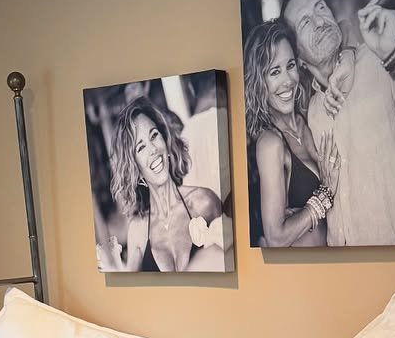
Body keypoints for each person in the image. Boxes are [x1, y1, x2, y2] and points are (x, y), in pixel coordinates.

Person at [282, 0, 395, 246]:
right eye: (305, 22)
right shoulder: (313, 112)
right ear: (298, 57)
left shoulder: (383, 59)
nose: (319, 21)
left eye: (320, 8)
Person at [242, 20, 341, 248]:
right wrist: (325, 194)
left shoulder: (309, 115)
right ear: (259, 82)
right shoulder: (270, 144)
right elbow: (276, 238)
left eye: (290, 65)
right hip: (304, 268)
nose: (287, 81)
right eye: (274, 72)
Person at [98, 97, 225, 272]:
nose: (153, 149)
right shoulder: (138, 229)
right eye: (141, 147)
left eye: (154, 135)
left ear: (165, 139)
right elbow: (129, 283)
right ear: (135, 167)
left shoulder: (204, 201)